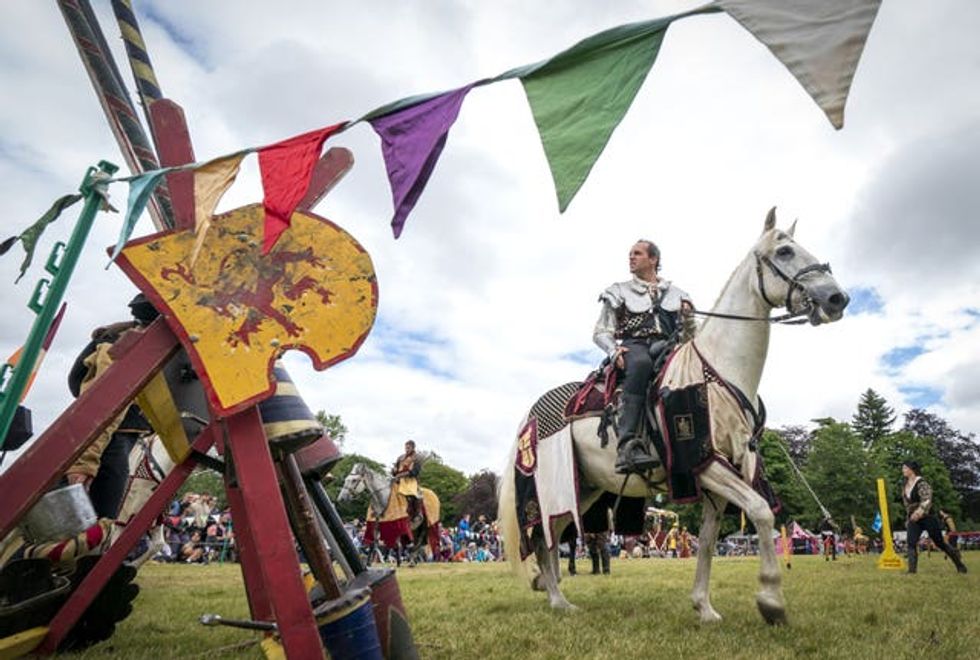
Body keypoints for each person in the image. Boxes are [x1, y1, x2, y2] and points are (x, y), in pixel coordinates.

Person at [593, 240, 696, 473]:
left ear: (653, 259)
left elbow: (690, 338)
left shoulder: (678, 294)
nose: (631, 257)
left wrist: (688, 319)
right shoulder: (618, 291)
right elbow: (600, 332)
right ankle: (627, 447)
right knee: (640, 364)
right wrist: (613, 350)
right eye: (630, 254)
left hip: (667, 345)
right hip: (635, 346)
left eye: (637, 254)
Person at [65, 293, 157, 518]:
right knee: (99, 519)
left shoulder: (123, 339)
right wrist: (84, 462)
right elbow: (102, 408)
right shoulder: (120, 346)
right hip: (107, 439)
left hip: (117, 438)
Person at [901, 461, 967, 574]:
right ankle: (911, 571)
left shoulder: (921, 483)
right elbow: (908, 504)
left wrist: (918, 512)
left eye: (905, 468)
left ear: (911, 469)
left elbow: (927, 500)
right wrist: (909, 518)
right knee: (911, 543)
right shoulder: (905, 485)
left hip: (928, 517)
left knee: (940, 543)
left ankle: (960, 566)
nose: (903, 470)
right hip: (913, 519)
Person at [391, 439, 422, 523]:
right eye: (406, 447)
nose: (406, 449)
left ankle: (417, 513)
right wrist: (393, 470)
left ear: (413, 448)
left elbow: (415, 471)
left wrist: (401, 475)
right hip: (398, 480)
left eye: (408, 448)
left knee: (413, 494)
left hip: (410, 480)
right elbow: (395, 470)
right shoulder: (400, 457)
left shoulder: (416, 458)